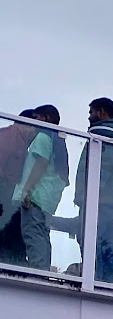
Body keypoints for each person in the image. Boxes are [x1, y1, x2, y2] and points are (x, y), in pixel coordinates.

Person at [73, 98, 113, 283]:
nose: (89, 117)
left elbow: (101, 169)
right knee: (107, 243)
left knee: (91, 240)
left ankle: (96, 281)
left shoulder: (104, 133)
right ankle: (106, 282)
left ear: (102, 112)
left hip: (101, 201)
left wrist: (89, 196)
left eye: (91, 112)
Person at [1, 106, 68, 271]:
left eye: (36, 118)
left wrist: (26, 189)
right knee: (42, 235)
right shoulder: (58, 141)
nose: (33, 124)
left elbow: (41, 162)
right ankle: (41, 271)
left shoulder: (43, 137)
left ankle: (37, 272)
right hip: (47, 201)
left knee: (32, 234)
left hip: (35, 197)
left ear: (45, 118)